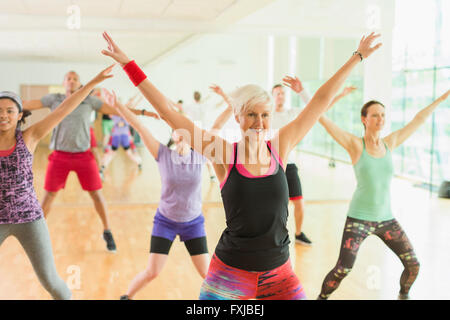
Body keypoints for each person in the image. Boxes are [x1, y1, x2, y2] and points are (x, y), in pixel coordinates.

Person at [101, 30, 382, 300]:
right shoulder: (223, 152)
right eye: (251, 115)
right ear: (237, 116)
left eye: (265, 115)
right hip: (230, 272)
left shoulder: (280, 146)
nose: (259, 123)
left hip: (280, 272)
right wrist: (129, 65)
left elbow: (320, 101)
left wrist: (358, 56)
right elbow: (168, 112)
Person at [315, 84, 449, 299]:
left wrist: (442, 98)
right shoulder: (355, 145)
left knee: (413, 265)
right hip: (359, 219)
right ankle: (321, 298)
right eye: (375, 115)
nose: (381, 119)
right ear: (364, 119)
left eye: (383, 115)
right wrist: (337, 95)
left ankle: (403, 295)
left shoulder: (390, 143)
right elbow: (321, 117)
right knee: (343, 269)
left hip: (386, 220)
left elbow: (418, 119)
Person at [0, 64, 114, 299]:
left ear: (19, 115)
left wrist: (91, 84)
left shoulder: (29, 136)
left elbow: (64, 109)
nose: (3, 115)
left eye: (9, 111)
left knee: (51, 281)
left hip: (30, 219)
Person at [105, 89, 232, 300]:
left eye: (185, 128)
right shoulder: (161, 153)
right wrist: (118, 105)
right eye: (176, 128)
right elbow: (139, 125)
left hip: (193, 223)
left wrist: (231, 104)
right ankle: (126, 297)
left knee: (206, 273)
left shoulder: (200, 154)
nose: (180, 132)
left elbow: (217, 126)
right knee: (153, 272)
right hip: (165, 221)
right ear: (173, 134)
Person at [22, 70, 158, 252]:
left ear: (80, 83)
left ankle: (107, 231)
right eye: (68, 78)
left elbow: (117, 110)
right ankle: (36, 234)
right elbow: (26, 104)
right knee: (49, 196)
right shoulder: (53, 99)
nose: (71, 81)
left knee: (97, 195)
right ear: (64, 83)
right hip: (59, 156)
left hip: (83, 156)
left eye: (75, 78)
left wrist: (143, 112)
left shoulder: (89, 100)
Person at [275, 78, 357, 245]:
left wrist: (340, 95)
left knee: (299, 201)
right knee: (274, 205)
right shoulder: (267, 116)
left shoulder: (292, 113)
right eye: (277, 93)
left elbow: (319, 107)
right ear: (272, 97)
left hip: (289, 165)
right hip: (273, 166)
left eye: (283, 93)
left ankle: (298, 234)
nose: (281, 96)